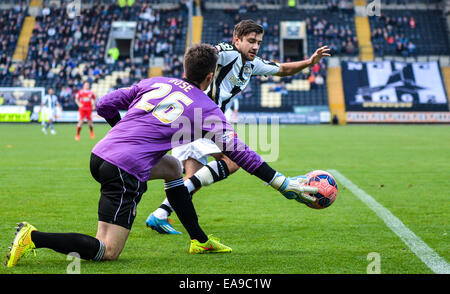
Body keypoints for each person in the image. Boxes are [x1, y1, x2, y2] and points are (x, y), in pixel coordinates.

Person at [5, 44, 318, 267]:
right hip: (123, 169)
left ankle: (199, 239)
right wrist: (282, 183)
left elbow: (105, 105)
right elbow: (240, 153)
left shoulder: (156, 81)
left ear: (184, 67)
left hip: (100, 154)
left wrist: (121, 134)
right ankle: (34, 236)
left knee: (172, 168)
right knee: (107, 251)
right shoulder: (207, 108)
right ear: (210, 77)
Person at [146, 19, 331, 234]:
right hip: (201, 117)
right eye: (251, 41)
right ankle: (146, 198)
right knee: (232, 161)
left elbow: (282, 69)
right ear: (237, 40)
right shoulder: (227, 53)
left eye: (258, 42)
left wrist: (310, 62)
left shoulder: (252, 65)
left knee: (193, 177)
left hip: (195, 120)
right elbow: (205, 56)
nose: (255, 46)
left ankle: (159, 215)